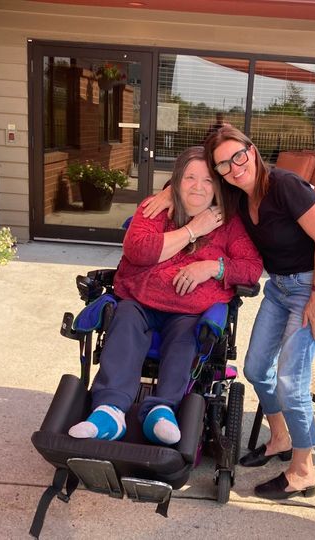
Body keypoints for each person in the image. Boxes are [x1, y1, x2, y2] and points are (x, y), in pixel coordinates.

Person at [143, 127, 315, 500]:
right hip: (280, 287)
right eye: (224, 164)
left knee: (290, 380)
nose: (234, 168)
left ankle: (303, 470)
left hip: (314, 283)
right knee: (255, 369)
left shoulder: (285, 186)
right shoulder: (236, 194)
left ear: (252, 151)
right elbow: (195, 183)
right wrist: (168, 192)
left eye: (238, 156)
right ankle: (280, 436)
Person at [69, 146, 263, 446]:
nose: (198, 186)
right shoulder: (156, 208)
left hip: (188, 312)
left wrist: (213, 267)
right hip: (139, 302)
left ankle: (160, 411)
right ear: (176, 182)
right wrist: (192, 230)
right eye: (189, 178)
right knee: (124, 321)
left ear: (219, 186)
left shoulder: (229, 223)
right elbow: (138, 250)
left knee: (188, 336)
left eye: (208, 180)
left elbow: (251, 269)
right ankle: (109, 412)